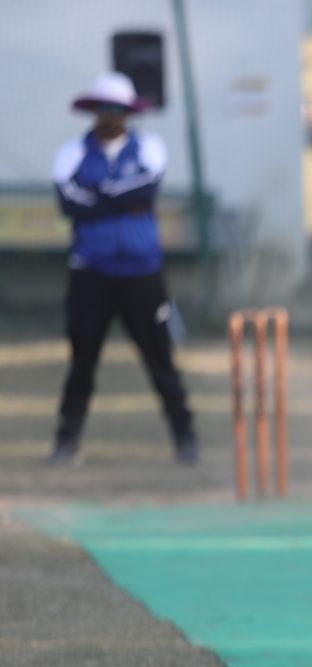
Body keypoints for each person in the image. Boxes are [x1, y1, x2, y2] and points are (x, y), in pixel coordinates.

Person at [49, 72, 196, 466]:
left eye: (118, 110)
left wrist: (99, 196)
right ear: (94, 112)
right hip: (91, 271)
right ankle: (67, 442)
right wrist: (118, 197)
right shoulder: (73, 153)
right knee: (82, 361)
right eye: (104, 110)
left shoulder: (147, 147)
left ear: (129, 114)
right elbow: (69, 204)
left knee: (159, 360)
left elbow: (144, 191)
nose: (111, 117)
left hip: (141, 272)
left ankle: (185, 437)